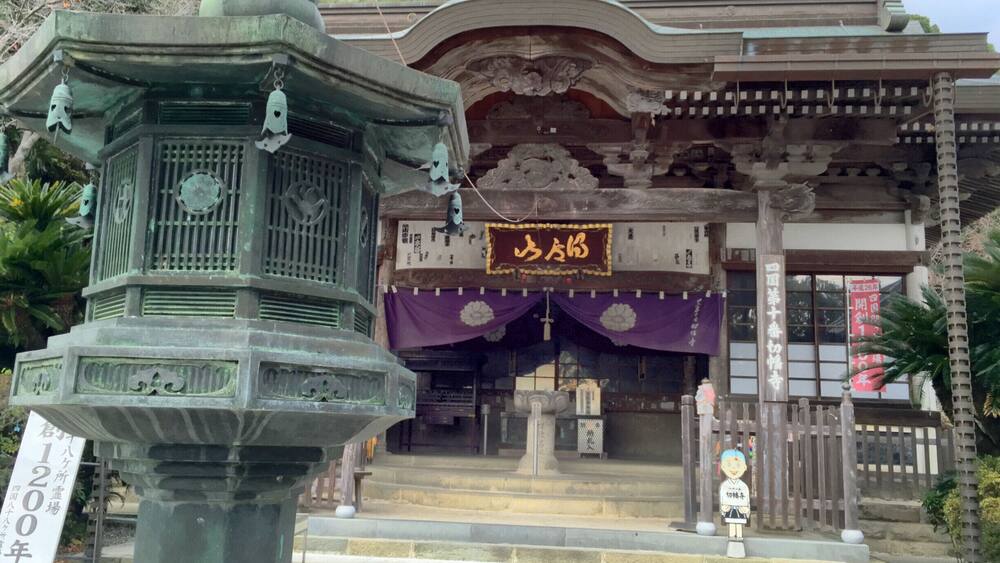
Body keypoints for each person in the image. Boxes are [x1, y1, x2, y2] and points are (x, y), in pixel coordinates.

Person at [719, 449, 751, 541]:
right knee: (732, 524)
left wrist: (746, 509)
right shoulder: (725, 486)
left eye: (737, 465)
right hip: (730, 509)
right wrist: (723, 509)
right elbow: (723, 498)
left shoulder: (743, 486)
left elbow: (746, 500)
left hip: (741, 510)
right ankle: (732, 538)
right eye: (729, 465)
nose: (733, 469)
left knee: (739, 525)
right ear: (723, 467)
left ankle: (739, 538)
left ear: (744, 467)